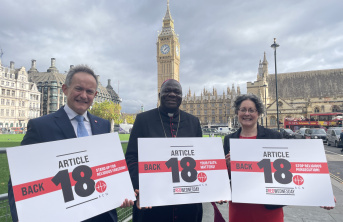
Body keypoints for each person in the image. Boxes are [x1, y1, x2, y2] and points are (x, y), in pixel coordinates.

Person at [8, 65, 134, 222]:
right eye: (78, 89)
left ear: (95, 94)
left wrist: (120, 194)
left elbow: (108, 170)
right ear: (65, 89)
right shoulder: (41, 126)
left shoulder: (102, 125)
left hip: (102, 216)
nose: (83, 95)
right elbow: (18, 183)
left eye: (89, 92)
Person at [223, 94, 335, 222]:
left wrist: (323, 192)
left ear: (258, 113)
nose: (246, 113)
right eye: (243, 109)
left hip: (268, 208)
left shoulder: (273, 136)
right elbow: (225, 177)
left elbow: (294, 166)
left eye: (251, 110)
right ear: (237, 112)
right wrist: (227, 166)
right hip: (240, 207)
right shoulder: (229, 139)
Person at [125, 79, 203, 222]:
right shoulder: (143, 120)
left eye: (177, 92)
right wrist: (141, 187)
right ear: (159, 94)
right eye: (167, 91)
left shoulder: (193, 122)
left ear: (181, 96)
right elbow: (131, 157)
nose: (172, 94)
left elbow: (201, 159)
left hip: (187, 204)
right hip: (153, 205)